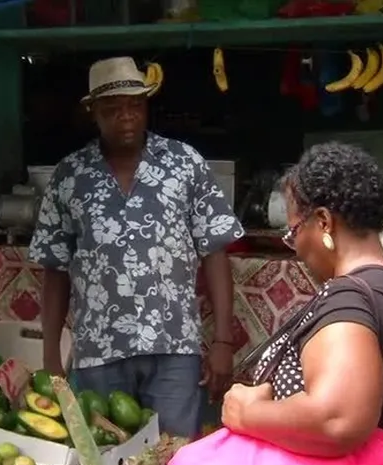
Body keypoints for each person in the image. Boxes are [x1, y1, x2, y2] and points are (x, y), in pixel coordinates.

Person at [28, 56, 244, 438]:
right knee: (108, 463)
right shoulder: (70, 176)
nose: (125, 116)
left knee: (175, 459)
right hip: (99, 350)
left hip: (174, 347)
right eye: (112, 109)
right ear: (93, 113)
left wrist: (223, 340)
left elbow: (215, 251)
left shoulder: (184, 163)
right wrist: (50, 358)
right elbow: (54, 267)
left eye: (134, 105)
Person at [219, 143, 383, 465]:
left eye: (293, 233)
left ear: (323, 222)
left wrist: (245, 413)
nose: (298, 249)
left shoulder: (349, 299)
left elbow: (336, 419)